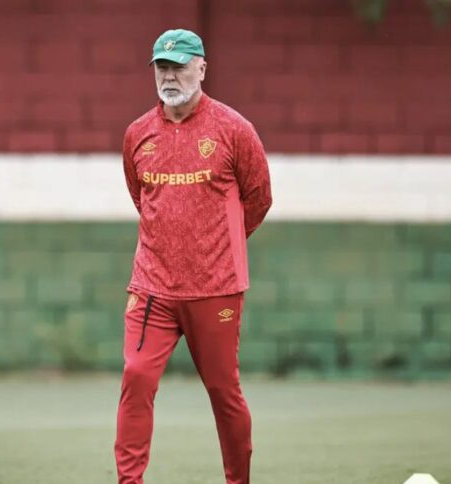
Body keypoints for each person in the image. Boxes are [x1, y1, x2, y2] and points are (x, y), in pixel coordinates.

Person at [114, 28, 273, 484]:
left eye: (179, 66)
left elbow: (258, 199)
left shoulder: (233, 129)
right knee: (136, 377)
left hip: (216, 288)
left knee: (224, 392)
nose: (170, 77)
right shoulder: (137, 135)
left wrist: (217, 244)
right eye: (162, 68)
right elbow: (141, 199)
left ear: (202, 68)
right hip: (152, 288)